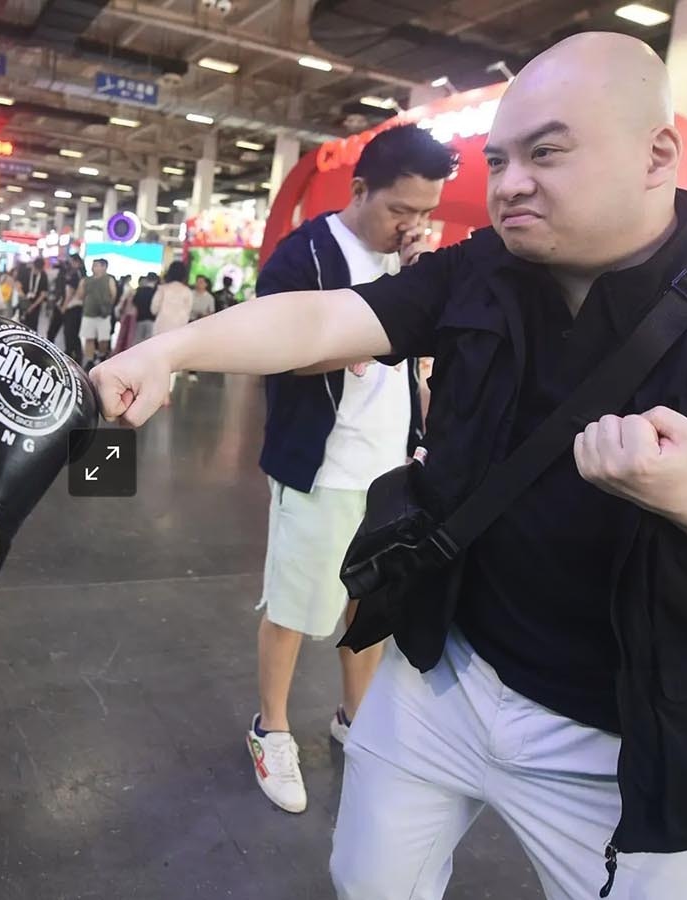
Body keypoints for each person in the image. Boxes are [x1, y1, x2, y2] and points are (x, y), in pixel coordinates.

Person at [91, 32, 687, 900]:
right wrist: (170, 353)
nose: (510, 182)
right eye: (501, 158)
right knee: (367, 880)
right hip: (442, 676)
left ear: (658, 153)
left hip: (625, 736)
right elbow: (327, 322)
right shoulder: (486, 271)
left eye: (546, 152)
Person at [245, 123, 456, 816]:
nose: (412, 225)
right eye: (401, 210)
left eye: (424, 212)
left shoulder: (417, 265)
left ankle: (354, 717)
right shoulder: (303, 256)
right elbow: (267, 348)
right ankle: (270, 726)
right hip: (321, 466)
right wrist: (350, 350)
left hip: (389, 469)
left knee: (372, 608)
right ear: (359, 189)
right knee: (296, 607)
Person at [79, 258, 118, 366]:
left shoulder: (109, 279)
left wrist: (107, 305)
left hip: (103, 315)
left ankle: (101, 355)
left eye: (96, 265)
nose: (93, 268)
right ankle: (90, 359)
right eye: (93, 265)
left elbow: (113, 294)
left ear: (104, 267)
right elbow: (80, 295)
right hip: (88, 313)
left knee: (103, 339)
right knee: (89, 337)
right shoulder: (86, 280)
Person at [129, 273, 159, 344]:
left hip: (139, 318)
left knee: (137, 340)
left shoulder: (139, 290)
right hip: (152, 319)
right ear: (156, 280)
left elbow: (134, 302)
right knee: (148, 341)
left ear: (147, 279)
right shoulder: (156, 292)